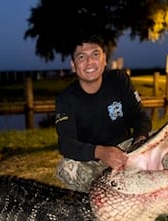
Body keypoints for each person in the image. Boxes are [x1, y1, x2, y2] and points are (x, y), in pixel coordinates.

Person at [54, 35, 152, 192]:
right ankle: (97, 196)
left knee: (160, 141)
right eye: (81, 57)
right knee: (66, 167)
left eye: (95, 54)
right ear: (73, 66)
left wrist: (140, 141)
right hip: (93, 157)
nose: (90, 61)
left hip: (126, 150)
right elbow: (66, 144)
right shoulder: (65, 99)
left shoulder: (119, 79)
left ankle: (153, 190)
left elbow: (139, 116)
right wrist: (100, 152)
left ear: (104, 59)